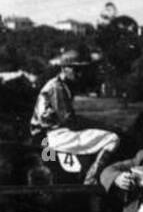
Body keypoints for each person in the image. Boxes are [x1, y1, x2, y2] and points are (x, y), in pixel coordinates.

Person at [30, 52, 121, 184]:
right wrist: (105, 126)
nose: (79, 73)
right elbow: (70, 120)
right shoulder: (56, 87)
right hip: (50, 136)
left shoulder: (63, 85)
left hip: (53, 132)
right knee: (112, 138)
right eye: (75, 69)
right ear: (63, 68)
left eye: (81, 70)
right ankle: (91, 179)